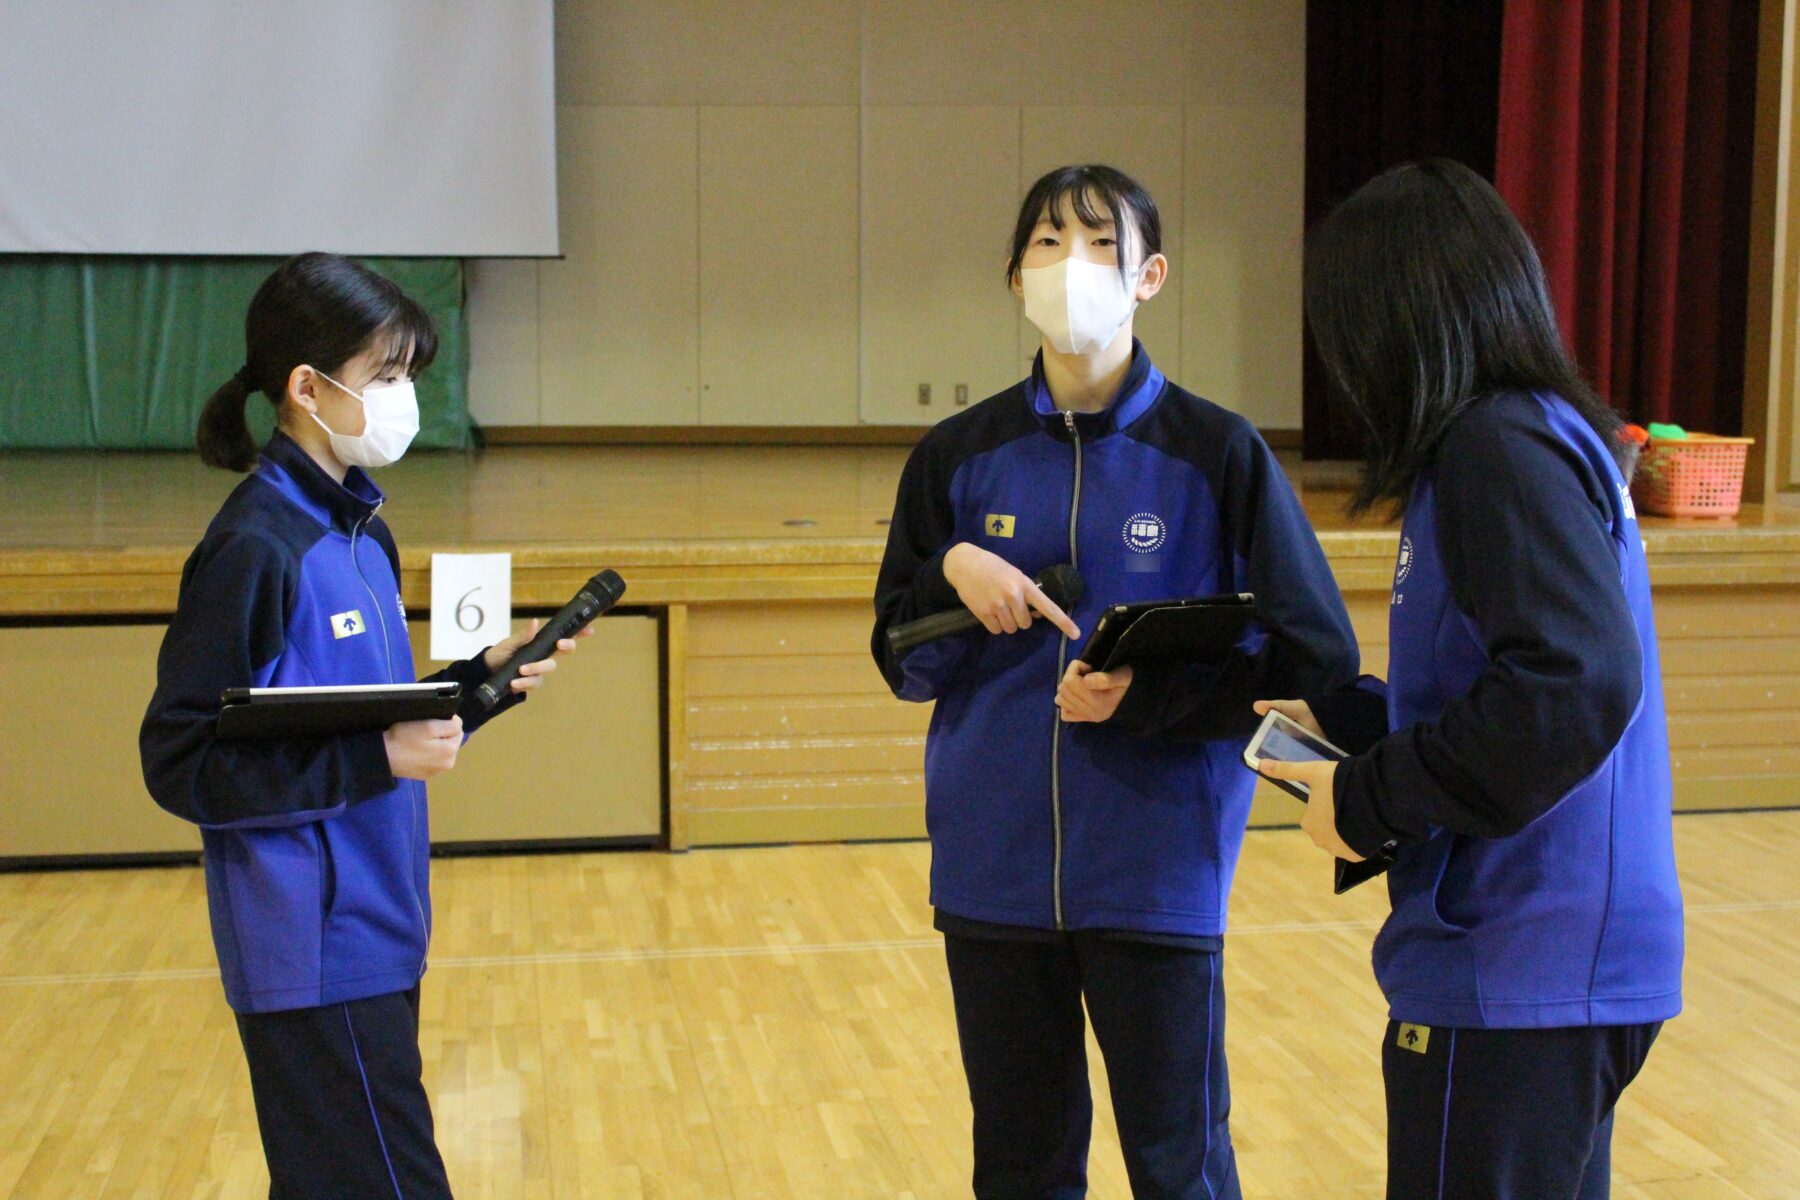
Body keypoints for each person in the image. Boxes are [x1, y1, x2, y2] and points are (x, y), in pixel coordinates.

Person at [872, 164, 1359, 1199]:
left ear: (1151, 276)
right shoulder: (958, 458)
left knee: (1178, 1164)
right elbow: (898, 658)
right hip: (991, 870)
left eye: (1101, 244)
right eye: (1048, 244)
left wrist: (1153, 701)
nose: (1071, 266)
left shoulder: (1217, 454)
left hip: (1157, 869)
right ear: (1014, 277)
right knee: (1019, 1167)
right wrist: (950, 574)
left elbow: (1315, 656)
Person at [1256, 159, 1682, 1199]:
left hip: (1520, 963)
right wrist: (1352, 722)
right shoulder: (1538, 434)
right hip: (1566, 966)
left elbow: (1572, 684)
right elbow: (1500, 682)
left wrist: (1367, 798)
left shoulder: (1498, 446)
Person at [140, 253, 587, 1198]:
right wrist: (372, 759)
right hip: (310, 949)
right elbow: (181, 761)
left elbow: (352, 717)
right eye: (387, 375)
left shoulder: (361, 531)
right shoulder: (256, 550)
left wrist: (477, 685)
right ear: (307, 387)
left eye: (409, 376)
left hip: (379, 926)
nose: (404, 398)